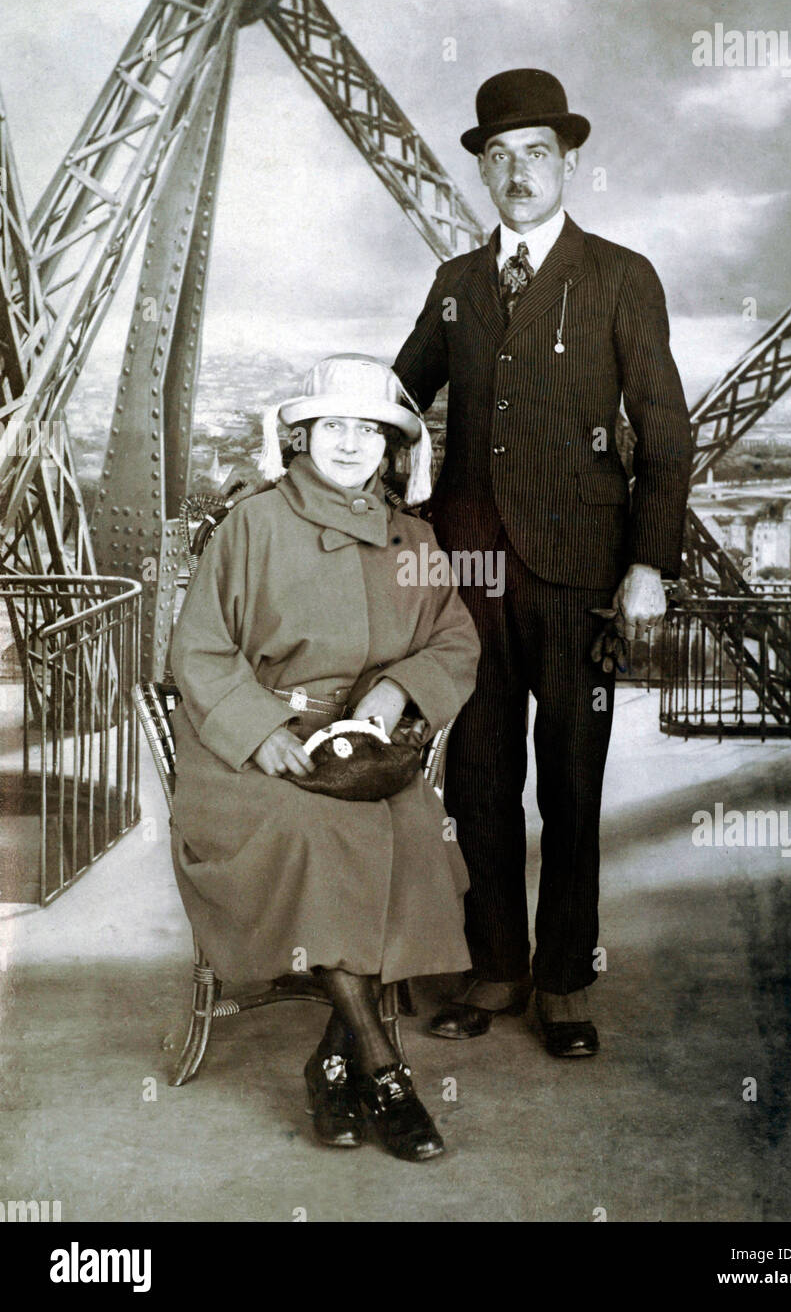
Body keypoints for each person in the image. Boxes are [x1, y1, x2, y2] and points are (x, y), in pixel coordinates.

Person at [393, 69, 693, 1058]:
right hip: (470, 576)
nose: (516, 173)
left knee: (570, 778)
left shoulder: (618, 276)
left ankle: (563, 976)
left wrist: (647, 565)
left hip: (578, 573)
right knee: (476, 778)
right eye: (497, 158)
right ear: (480, 171)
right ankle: (494, 964)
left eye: (534, 154)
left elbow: (664, 433)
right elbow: (397, 405)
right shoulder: (454, 288)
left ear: (567, 161)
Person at [168, 354, 481, 1161]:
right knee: (321, 839)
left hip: (363, 753)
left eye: (367, 430)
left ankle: (329, 1062)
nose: (349, 444)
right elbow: (199, 649)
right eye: (331, 427)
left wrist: (397, 691)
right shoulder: (254, 525)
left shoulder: (413, 538)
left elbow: (453, 638)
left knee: (416, 833)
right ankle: (385, 1074)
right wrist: (260, 730)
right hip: (251, 758)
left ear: (390, 448)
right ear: (301, 437)